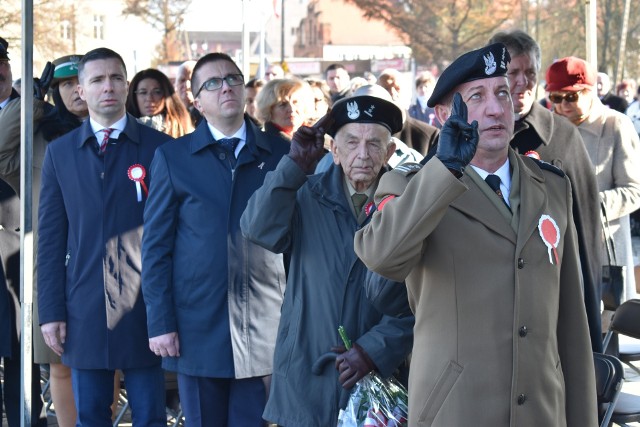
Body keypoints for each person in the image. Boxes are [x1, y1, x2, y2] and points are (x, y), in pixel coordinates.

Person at [354, 43, 598, 426]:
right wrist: (445, 169)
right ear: (444, 115)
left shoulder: (550, 186)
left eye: (502, 92)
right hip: (456, 410)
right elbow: (382, 257)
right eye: (476, 97)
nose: (495, 107)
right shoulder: (410, 186)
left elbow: (571, 322)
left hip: (542, 411)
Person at [240, 94, 414, 426]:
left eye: (374, 144)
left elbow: (422, 299)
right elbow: (256, 229)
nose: (362, 154)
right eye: (351, 143)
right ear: (333, 150)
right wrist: (292, 167)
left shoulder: (406, 204)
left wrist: (374, 350)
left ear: (391, 152)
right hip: (307, 375)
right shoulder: (305, 192)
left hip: (380, 384)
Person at [141, 52, 290, 426]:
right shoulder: (173, 158)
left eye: (233, 79)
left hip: (263, 322)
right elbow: (156, 246)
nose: (226, 87)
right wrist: (160, 321)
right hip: (197, 326)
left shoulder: (281, 155)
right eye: (213, 83)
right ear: (196, 101)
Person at [37, 47, 173, 427]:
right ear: (80, 89)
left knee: (150, 417)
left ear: (126, 85)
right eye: (97, 79)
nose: (107, 87)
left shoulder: (160, 149)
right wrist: (51, 312)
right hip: (85, 305)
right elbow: (49, 240)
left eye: (115, 78)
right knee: (90, 417)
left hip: (148, 303)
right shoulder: (61, 154)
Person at [488, 30, 604, 352]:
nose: (523, 83)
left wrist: (590, 329)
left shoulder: (563, 138)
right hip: (490, 310)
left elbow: (586, 233)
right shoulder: (471, 137)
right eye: (513, 73)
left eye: (530, 73)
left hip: (551, 304)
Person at [547, 57, 640, 302]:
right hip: (556, 251)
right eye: (556, 98)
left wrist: (586, 204)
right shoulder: (547, 127)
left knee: (602, 331)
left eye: (571, 97)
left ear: (590, 92)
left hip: (603, 251)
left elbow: (634, 190)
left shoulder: (616, 125)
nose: (563, 106)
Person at [0, 36, 49, 427]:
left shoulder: (28, 115)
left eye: (2, 63)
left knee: (21, 355)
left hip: (15, 251)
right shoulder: (23, 112)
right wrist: (26, 101)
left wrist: (28, 101)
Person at [126, 68, 194, 138]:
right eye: (143, 92)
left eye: (157, 92)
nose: (149, 98)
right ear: (133, 96)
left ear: (166, 94)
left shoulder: (182, 127)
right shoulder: (123, 129)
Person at [174, 59, 202, 127]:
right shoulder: (169, 115)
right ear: (175, 84)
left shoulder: (210, 115)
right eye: (182, 80)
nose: (187, 85)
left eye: (191, 80)